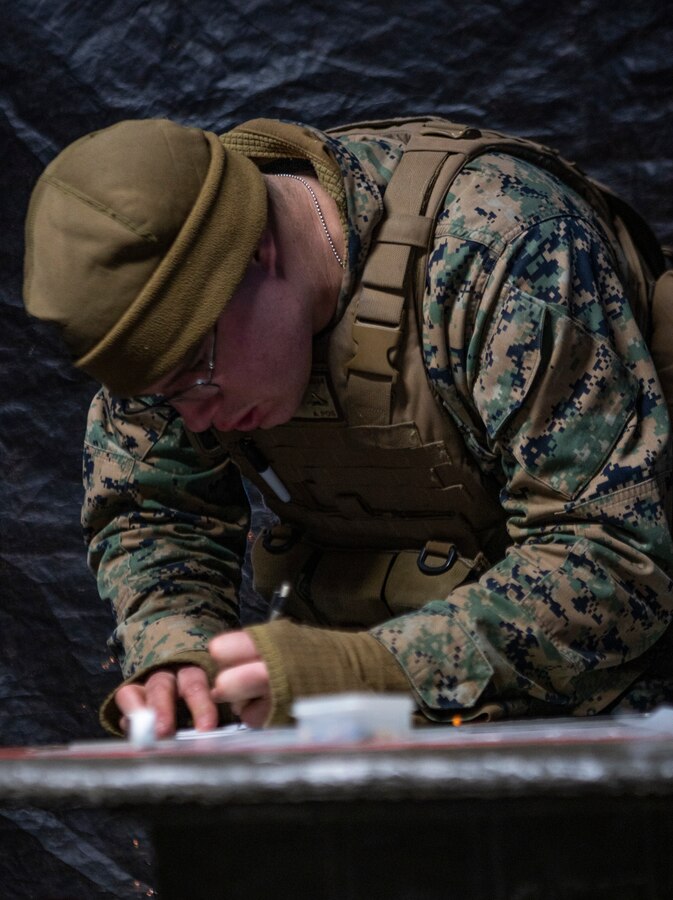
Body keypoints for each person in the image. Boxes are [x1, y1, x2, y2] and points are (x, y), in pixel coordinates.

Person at [22, 115, 673, 738]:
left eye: (197, 368)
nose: (191, 413)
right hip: (354, 732)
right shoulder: (167, 313)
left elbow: (614, 559)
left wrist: (371, 672)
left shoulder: (497, 247)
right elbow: (155, 513)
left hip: (605, 725)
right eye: (161, 393)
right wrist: (181, 657)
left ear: (259, 252)